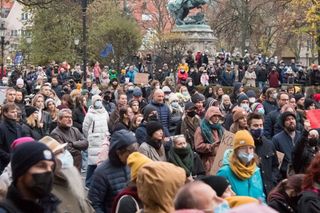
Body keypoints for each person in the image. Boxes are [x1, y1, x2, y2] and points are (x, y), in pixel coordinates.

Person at [39, 136, 95, 213]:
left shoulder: (72, 182)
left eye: (63, 151)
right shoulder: (47, 195)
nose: (65, 155)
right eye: (58, 153)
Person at [88, 130, 138, 213]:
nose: (133, 158)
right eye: (129, 155)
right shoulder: (102, 172)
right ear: (118, 153)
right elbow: (94, 204)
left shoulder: (134, 165)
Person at [0, 142, 59, 212]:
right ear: (21, 171)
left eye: (52, 167)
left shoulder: (50, 206)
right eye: (41, 166)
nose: (49, 171)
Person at [217, 130, 266, 201]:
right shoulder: (225, 172)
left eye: (251, 148)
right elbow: (219, 200)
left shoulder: (255, 171)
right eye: (243, 148)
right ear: (236, 150)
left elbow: (261, 196)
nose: (248, 152)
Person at [247, 113, 280, 195]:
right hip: (252, 192)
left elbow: (275, 165)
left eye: (261, 125)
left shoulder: (269, 144)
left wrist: (273, 180)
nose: (259, 128)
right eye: (255, 125)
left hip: (269, 190)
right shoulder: (245, 146)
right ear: (248, 127)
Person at [194, 106, 234, 174]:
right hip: (209, 161)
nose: (217, 118)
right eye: (214, 116)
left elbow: (228, 140)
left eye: (218, 116)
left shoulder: (221, 128)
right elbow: (198, 146)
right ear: (208, 116)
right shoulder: (201, 129)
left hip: (222, 160)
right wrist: (210, 146)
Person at [82, 95, 110, 187]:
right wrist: (90, 136)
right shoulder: (90, 114)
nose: (98, 101)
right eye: (96, 100)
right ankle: (88, 182)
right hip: (94, 140)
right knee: (92, 162)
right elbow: (85, 128)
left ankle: (99, 182)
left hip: (103, 139)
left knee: (102, 161)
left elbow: (107, 123)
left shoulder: (104, 112)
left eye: (99, 100)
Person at [272, 111, 301, 179]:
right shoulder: (277, 139)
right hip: (285, 176)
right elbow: (277, 162)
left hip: (301, 174)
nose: (291, 121)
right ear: (283, 123)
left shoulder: (301, 136)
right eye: (288, 119)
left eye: (292, 119)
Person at [0, 103, 24, 173]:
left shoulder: (18, 127)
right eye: (12, 112)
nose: (15, 114)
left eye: (16, 111)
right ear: (5, 113)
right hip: (4, 165)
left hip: (17, 162)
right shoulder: (1, 128)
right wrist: (9, 157)